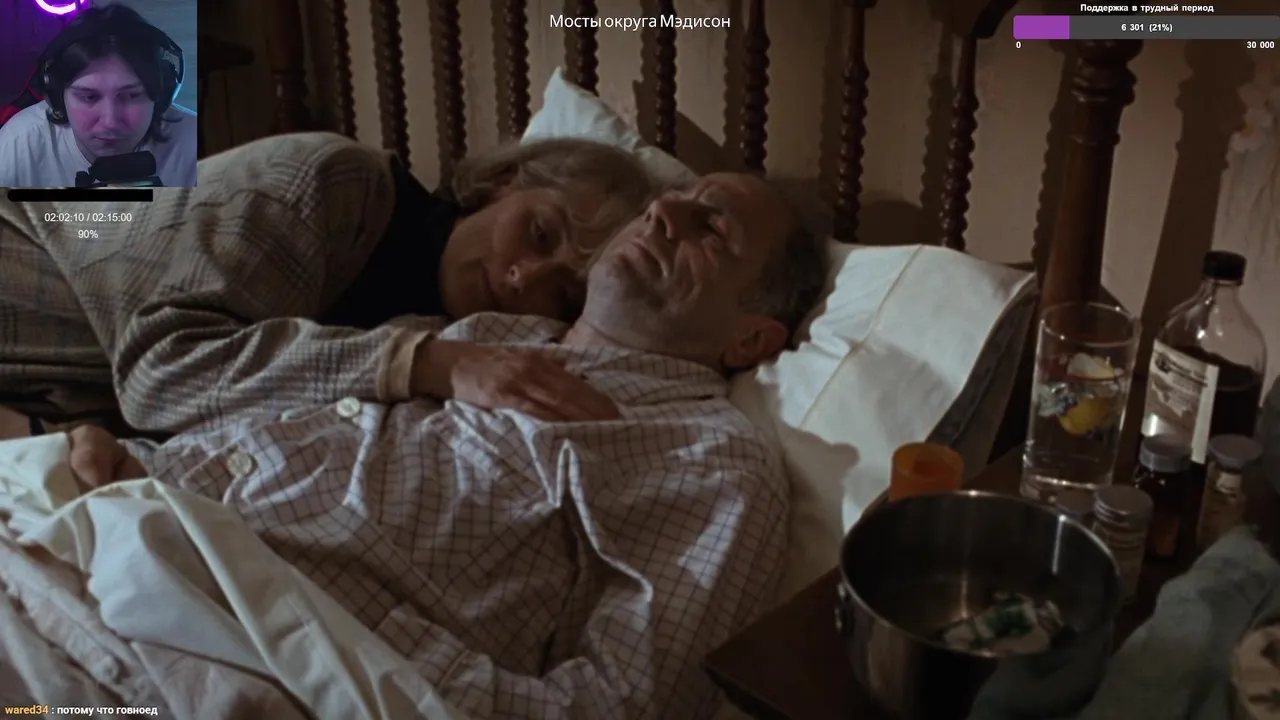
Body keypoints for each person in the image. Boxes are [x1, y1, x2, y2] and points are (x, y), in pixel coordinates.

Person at [7, 171, 828, 718]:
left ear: (753, 337)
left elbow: (622, 703)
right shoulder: (468, 335)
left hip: (201, 650)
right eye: (673, 197)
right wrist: (113, 452)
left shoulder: (711, 461)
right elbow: (213, 407)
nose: (662, 214)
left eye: (710, 229)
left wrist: (351, 638)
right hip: (83, 528)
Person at [0, 131, 655, 437]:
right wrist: (430, 364)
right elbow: (163, 374)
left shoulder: (440, 323)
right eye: (538, 233)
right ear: (501, 184)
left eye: (562, 293)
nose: (523, 277)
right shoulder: (333, 184)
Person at [0, 5, 199, 188]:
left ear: (161, 94)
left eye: (131, 95)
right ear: (58, 97)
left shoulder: (197, 143)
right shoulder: (18, 144)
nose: (110, 122)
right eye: (89, 97)